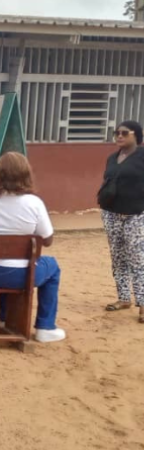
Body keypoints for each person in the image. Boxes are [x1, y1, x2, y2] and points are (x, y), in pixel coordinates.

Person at [0, 152, 66, 343]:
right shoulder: (34, 204)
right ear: (26, 175)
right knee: (52, 266)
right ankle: (45, 326)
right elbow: (47, 240)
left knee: (7, 262)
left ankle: (7, 315)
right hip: (17, 276)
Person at [98, 120, 144, 323]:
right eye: (116, 132)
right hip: (111, 214)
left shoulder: (142, 157)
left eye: (125, 133)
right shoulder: (112, 158)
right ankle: (124, 298)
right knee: (118, 258)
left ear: (137, 136)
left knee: (138, 259)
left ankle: (142, 303)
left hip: (136, 214)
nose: (119, 136)